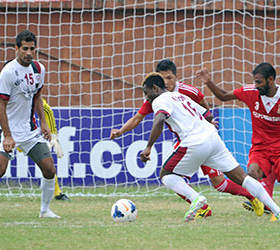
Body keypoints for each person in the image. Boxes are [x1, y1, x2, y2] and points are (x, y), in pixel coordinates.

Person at [110, 59, 264, 218]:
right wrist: (120, 131)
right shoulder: (155, 97)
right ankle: (201, 207)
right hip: (184, 142)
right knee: (171, 176)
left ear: (176, 77)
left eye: (170, 78)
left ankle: (252, 196)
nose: (167, 82)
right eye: (163, 79)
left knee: (220, 184)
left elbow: (202, 101)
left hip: (203, 138)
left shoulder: (187, 91)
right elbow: (137, 118)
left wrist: (208, 120)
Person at [140, 72, 280, 222]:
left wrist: (148, 147)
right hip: (213, 138)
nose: (146, 97)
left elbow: (160, 118)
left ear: (155, 88)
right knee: (242, 178)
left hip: (194, 142)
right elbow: (207, 115)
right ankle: (277, 210)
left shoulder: (159, 100)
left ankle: (196, 199)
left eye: (146, 92)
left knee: (166, 174)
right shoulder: (180, 96)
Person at [196, 63, 280, 221]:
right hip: (260, 147)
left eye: (259, 82)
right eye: (254, 81)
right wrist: (208, 82)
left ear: (270, 80)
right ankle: (266, 204)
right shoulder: (250, 92)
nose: (255, 86)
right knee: (252, 174)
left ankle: (268, 204)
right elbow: (223, 96)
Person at [0, 30, 60, 218]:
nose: (29, 53)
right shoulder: (8, 72)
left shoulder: (39, 69)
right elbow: (1, 106)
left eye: (32, 49)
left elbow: (37, 97)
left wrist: (43, 123)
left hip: (29, 131)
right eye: (25, 49)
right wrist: (8, 136)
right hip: (9, 131)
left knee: (49, 169)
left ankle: (45, 210)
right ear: (17, 49)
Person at [0, 78, 69, 201]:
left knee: (46, 163)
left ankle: (57, 193)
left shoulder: (27, 86)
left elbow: (46, 109)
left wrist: (53, 135)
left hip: (24, 131)